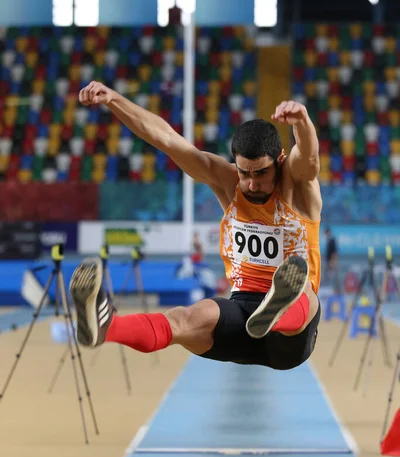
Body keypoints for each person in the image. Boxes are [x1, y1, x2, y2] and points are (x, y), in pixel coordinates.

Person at [69, 82, 322, 370]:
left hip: (290, 339)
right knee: (182, 319)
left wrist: (301, 121)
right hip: (242, 312)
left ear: (280, 160)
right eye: (244, 173)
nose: (252, 183)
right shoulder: (229, 183)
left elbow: (309, 156)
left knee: (304, 295)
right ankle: (108, 326)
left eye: (262, 173)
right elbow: (165, 138)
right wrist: (114, 100)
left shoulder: (297, 186)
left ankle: (278, 311)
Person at [324, 227, 340, 293]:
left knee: (334, 276)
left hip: (331, 262)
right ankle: (330, 289)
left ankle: (336, 291)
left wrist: (332, 262)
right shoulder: (329, 240)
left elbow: (334, 252)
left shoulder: (332, 240)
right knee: (329, 275)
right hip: (329, 261)